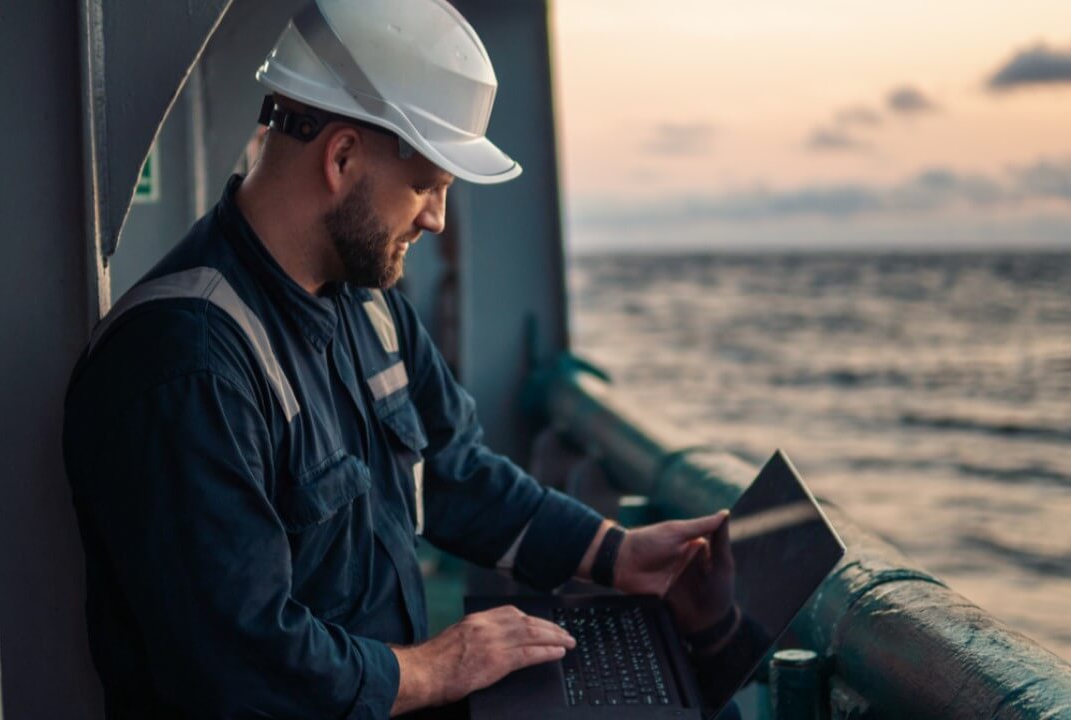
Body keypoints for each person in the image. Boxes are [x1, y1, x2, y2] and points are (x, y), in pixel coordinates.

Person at [63, 1, 730, 717]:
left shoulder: (365, 303)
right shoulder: (187, 365)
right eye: (428, 186)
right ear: (342, 156)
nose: (437, 220)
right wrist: (440, 670)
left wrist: (615, 553)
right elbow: (239, 664)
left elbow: (451, 473)